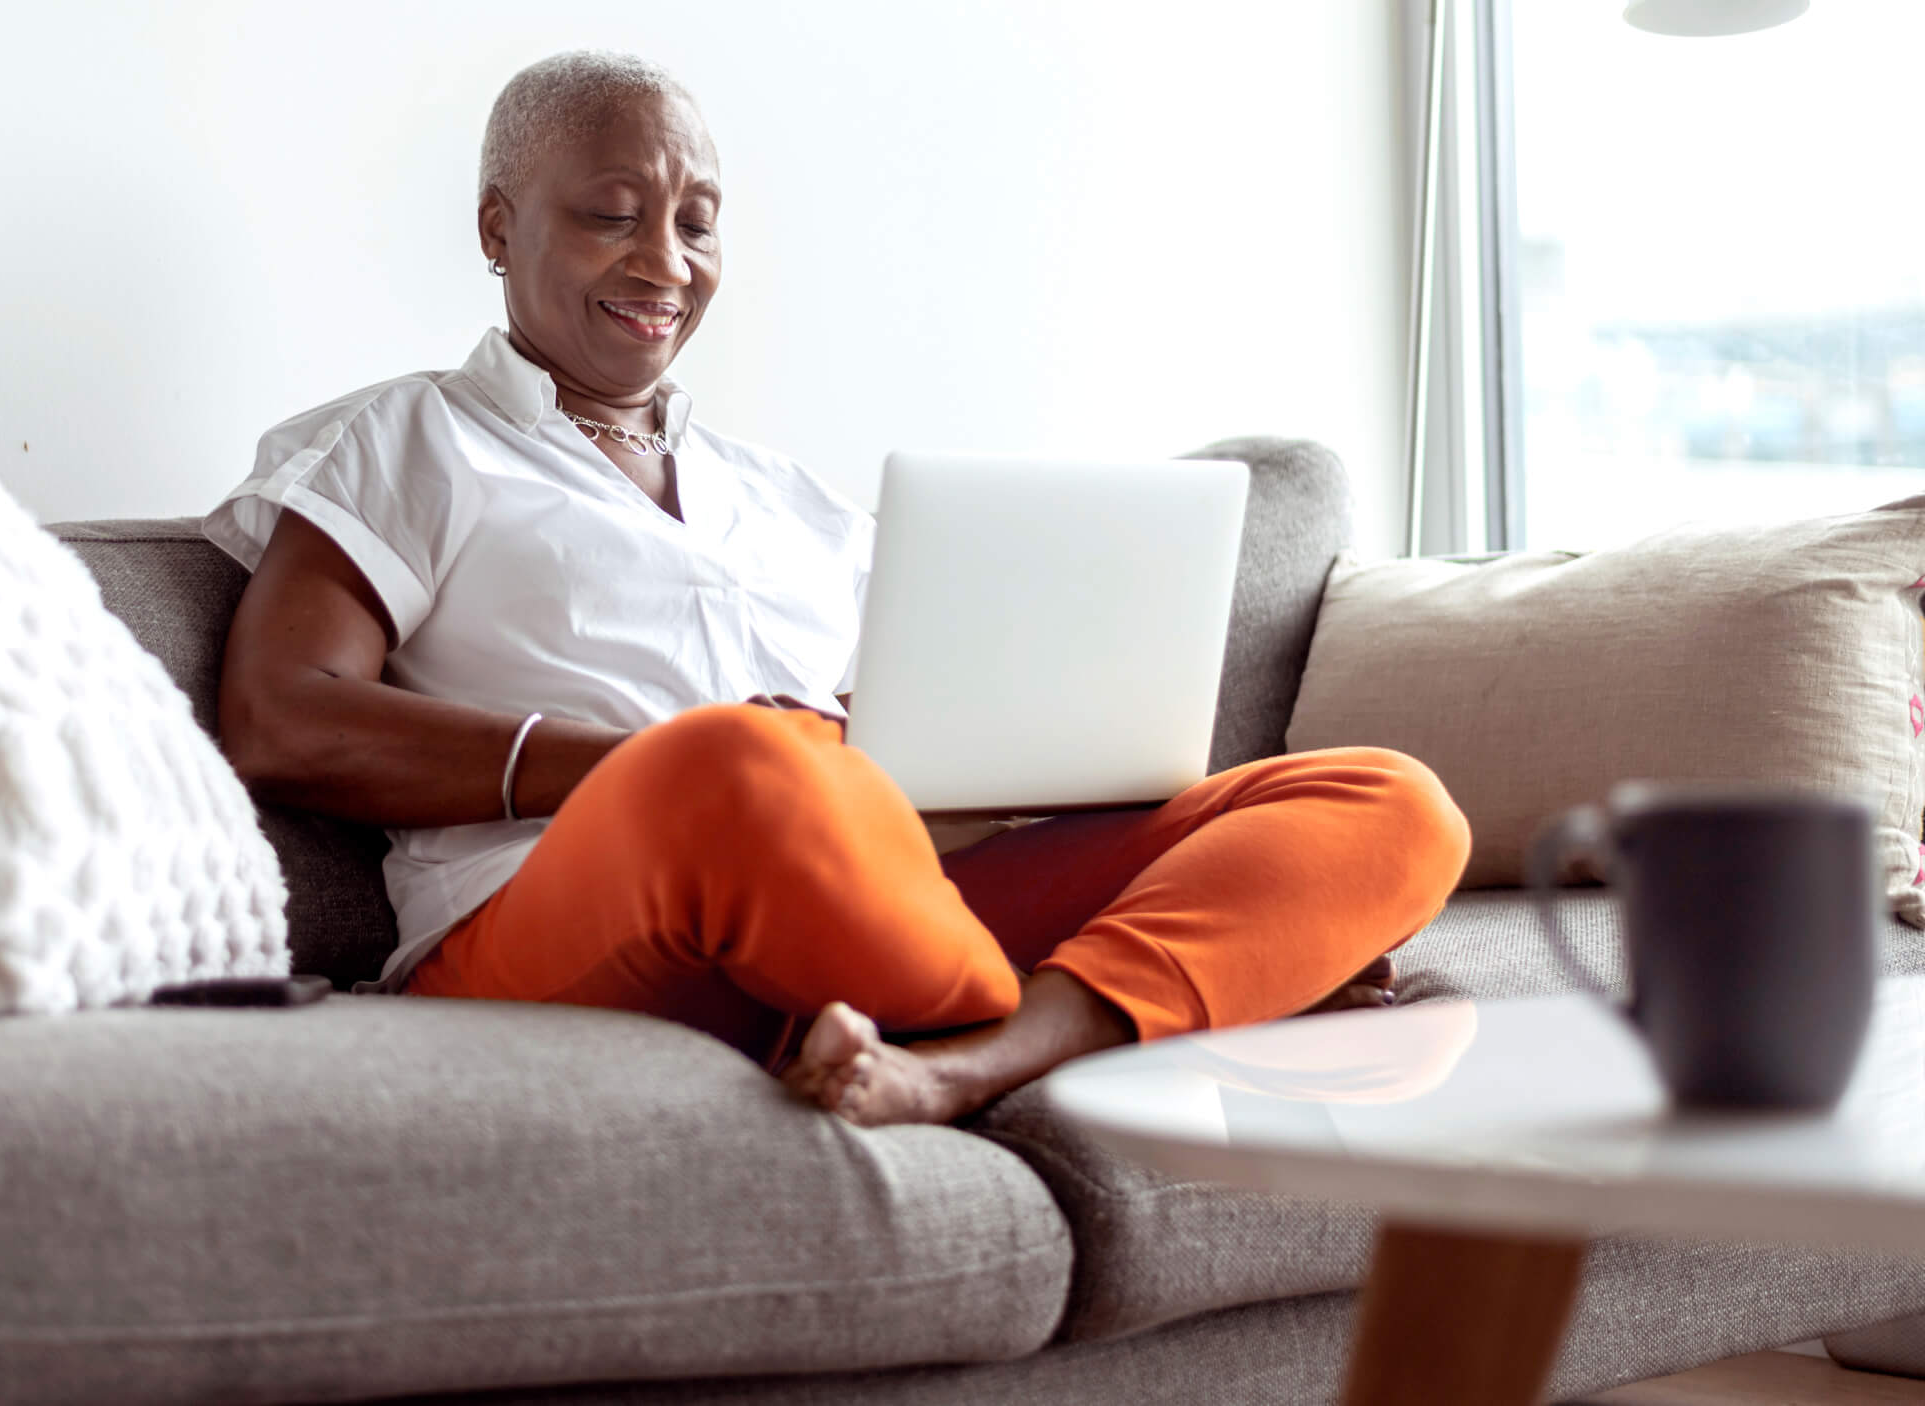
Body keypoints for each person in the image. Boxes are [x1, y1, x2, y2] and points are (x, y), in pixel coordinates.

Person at [204, 51, 1470, 1126]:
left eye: (696, 222)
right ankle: (1175, 992)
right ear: (498, 227)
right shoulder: (405, 441)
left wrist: (976, 763)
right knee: (742, 769)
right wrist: (643, 764)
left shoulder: (792, 501)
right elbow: (285, 715)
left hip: (868, 887)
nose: (664, 261)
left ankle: (973, 1057)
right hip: (559, 923)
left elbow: (911, 743)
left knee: (1388, 799)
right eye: (611, 214)